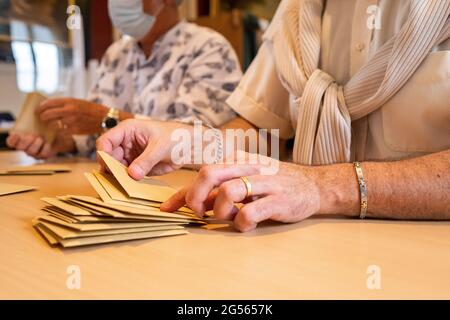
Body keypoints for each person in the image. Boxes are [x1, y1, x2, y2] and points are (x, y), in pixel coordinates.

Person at [97, 0, 450, 232]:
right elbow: (261, 130)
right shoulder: (296, 11)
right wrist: (183, 141)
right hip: (311, 245)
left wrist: (323, 187)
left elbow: (310, 183)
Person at [7, 0, 242, 158]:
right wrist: (62, 143)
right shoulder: (116, 54)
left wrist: (106, 118)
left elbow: (198, 140)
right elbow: (93, 135)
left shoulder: (209, 48)